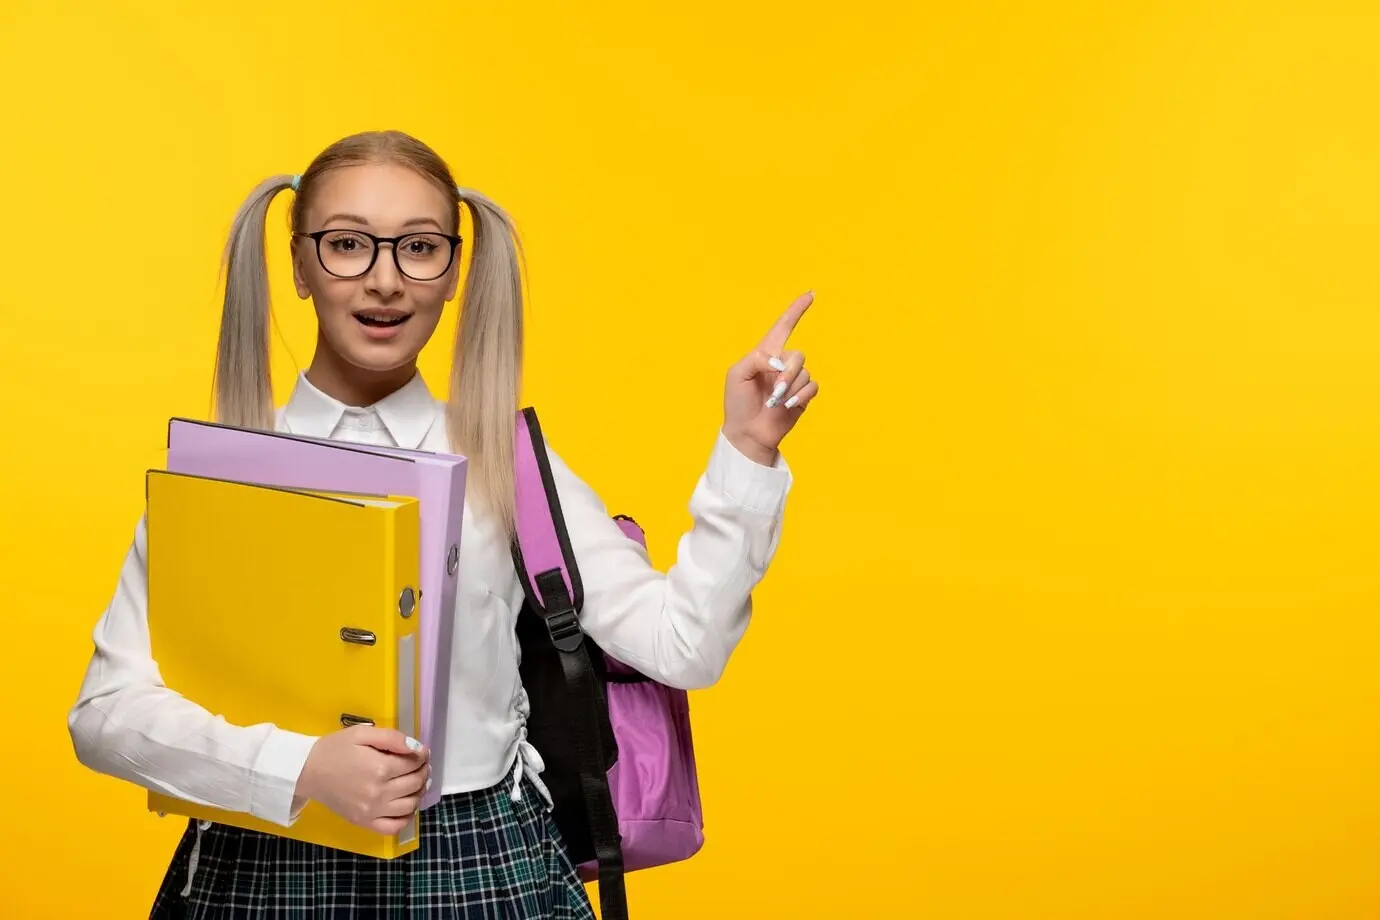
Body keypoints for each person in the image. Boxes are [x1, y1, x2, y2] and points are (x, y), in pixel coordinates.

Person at [67, 129, 819, 918]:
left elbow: (683, 645)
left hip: (479, 864)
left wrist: (746, 453)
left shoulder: (506, 461)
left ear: (454, 270)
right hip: (261, 861)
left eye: (419, 248)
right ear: (297, 264)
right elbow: (106, 712)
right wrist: (298, 768)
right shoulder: (223, 469)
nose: (386, 280)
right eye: (348, 244)